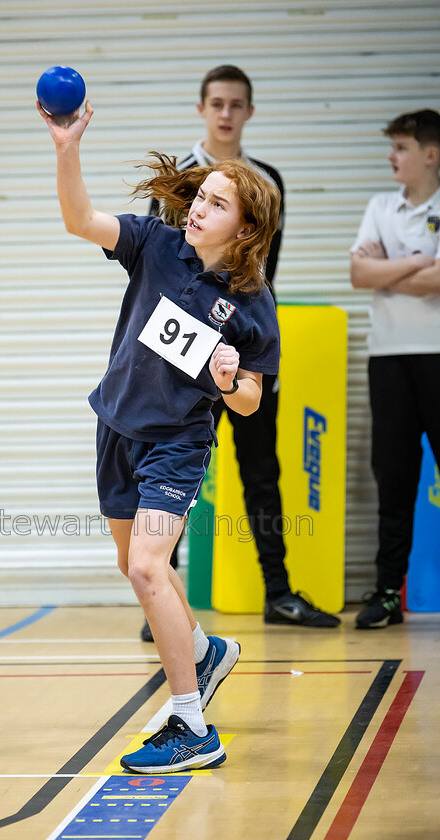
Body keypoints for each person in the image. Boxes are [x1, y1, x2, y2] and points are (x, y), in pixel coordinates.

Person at [37, 94, 281, 772]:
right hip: (115, 425)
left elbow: (251, 403)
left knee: (148, 566)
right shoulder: (155, 244)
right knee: (133, 566)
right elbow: (78, 219)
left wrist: (231, 379)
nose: (197, 208)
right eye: (198, 196)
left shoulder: (253, 304)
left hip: (177, 442)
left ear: (244, 227)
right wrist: (67, 149)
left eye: (215, 203)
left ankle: (190, 726)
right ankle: (204, 653)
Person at [140, 65, 340, 641]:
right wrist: (195, 347)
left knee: (260, 471)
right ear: (202, 109)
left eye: (237, 105)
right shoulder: (182, 183)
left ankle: (278, 592)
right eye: (217, 103)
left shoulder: (266, 181)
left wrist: (238, 353)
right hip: (179, 358)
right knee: (166, 471)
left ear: (249, 113)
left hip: (241, 349)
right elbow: (162, 272)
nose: (226, 113)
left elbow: (260, 274)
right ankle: (163, 601)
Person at [350, 108, 440, 629]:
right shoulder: (381, 205)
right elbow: (359, 272)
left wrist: (389, 266)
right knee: (394, 474)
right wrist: (419, 261)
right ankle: (387, 592)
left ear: (431, 154)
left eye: (401, 148)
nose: (392, 156)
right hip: (387, 357)